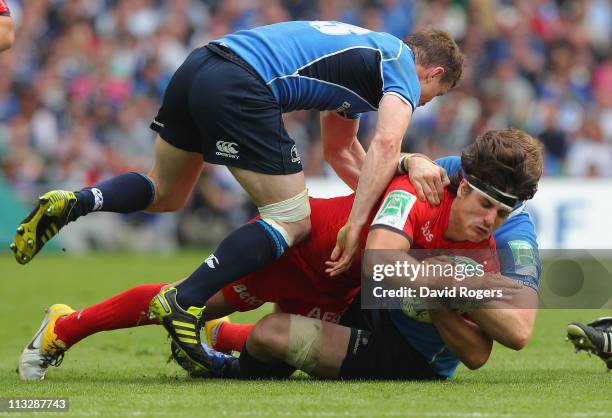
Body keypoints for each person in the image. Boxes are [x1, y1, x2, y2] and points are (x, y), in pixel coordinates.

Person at [11, 21, 463, 369]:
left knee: (163, 191)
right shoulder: (400, 67)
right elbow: (386, 144)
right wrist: (359, 223)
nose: (420, 104)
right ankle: (185, 300)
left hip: (202, 64)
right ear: (434, 72)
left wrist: (388, 187)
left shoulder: (364, 59)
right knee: (293, 218)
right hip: (243, 83)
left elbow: (342, 151)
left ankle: (77, 202)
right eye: (430, 96)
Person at [18, 129, 541, 381]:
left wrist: (443, 285)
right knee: (185, 300)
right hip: (309, 249)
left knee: (274, 340)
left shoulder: (511, 236)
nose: (491, 220)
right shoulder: (431, 181)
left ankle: (217, 342)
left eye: (504, 212)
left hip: (345, 283)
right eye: (487, 205)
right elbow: (383, 255)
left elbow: (508, 337)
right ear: (461, 183)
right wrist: (412, 160)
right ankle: (67, 327)